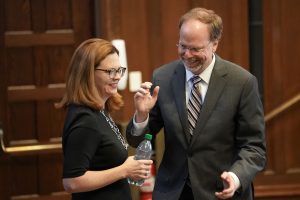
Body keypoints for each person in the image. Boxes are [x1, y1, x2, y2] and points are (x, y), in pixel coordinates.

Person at [126, 7, 266, 200]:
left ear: (214, 44)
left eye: (196, 49)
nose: (187, 55)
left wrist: (235, 176)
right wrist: (141, 117)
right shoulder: (163, 78)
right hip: (174, 192)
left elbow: (254, 147)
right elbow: (143, 139)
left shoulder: (242, 83)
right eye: (183, 46)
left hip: (221, 192)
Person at [56, 38, 153, 200]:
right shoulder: (85, 119)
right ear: (88, 73)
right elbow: (72, 182)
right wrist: (124, 170)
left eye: (119, 70)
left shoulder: (101, 110)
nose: (117, 77)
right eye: (110, 72)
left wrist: (141, 113)